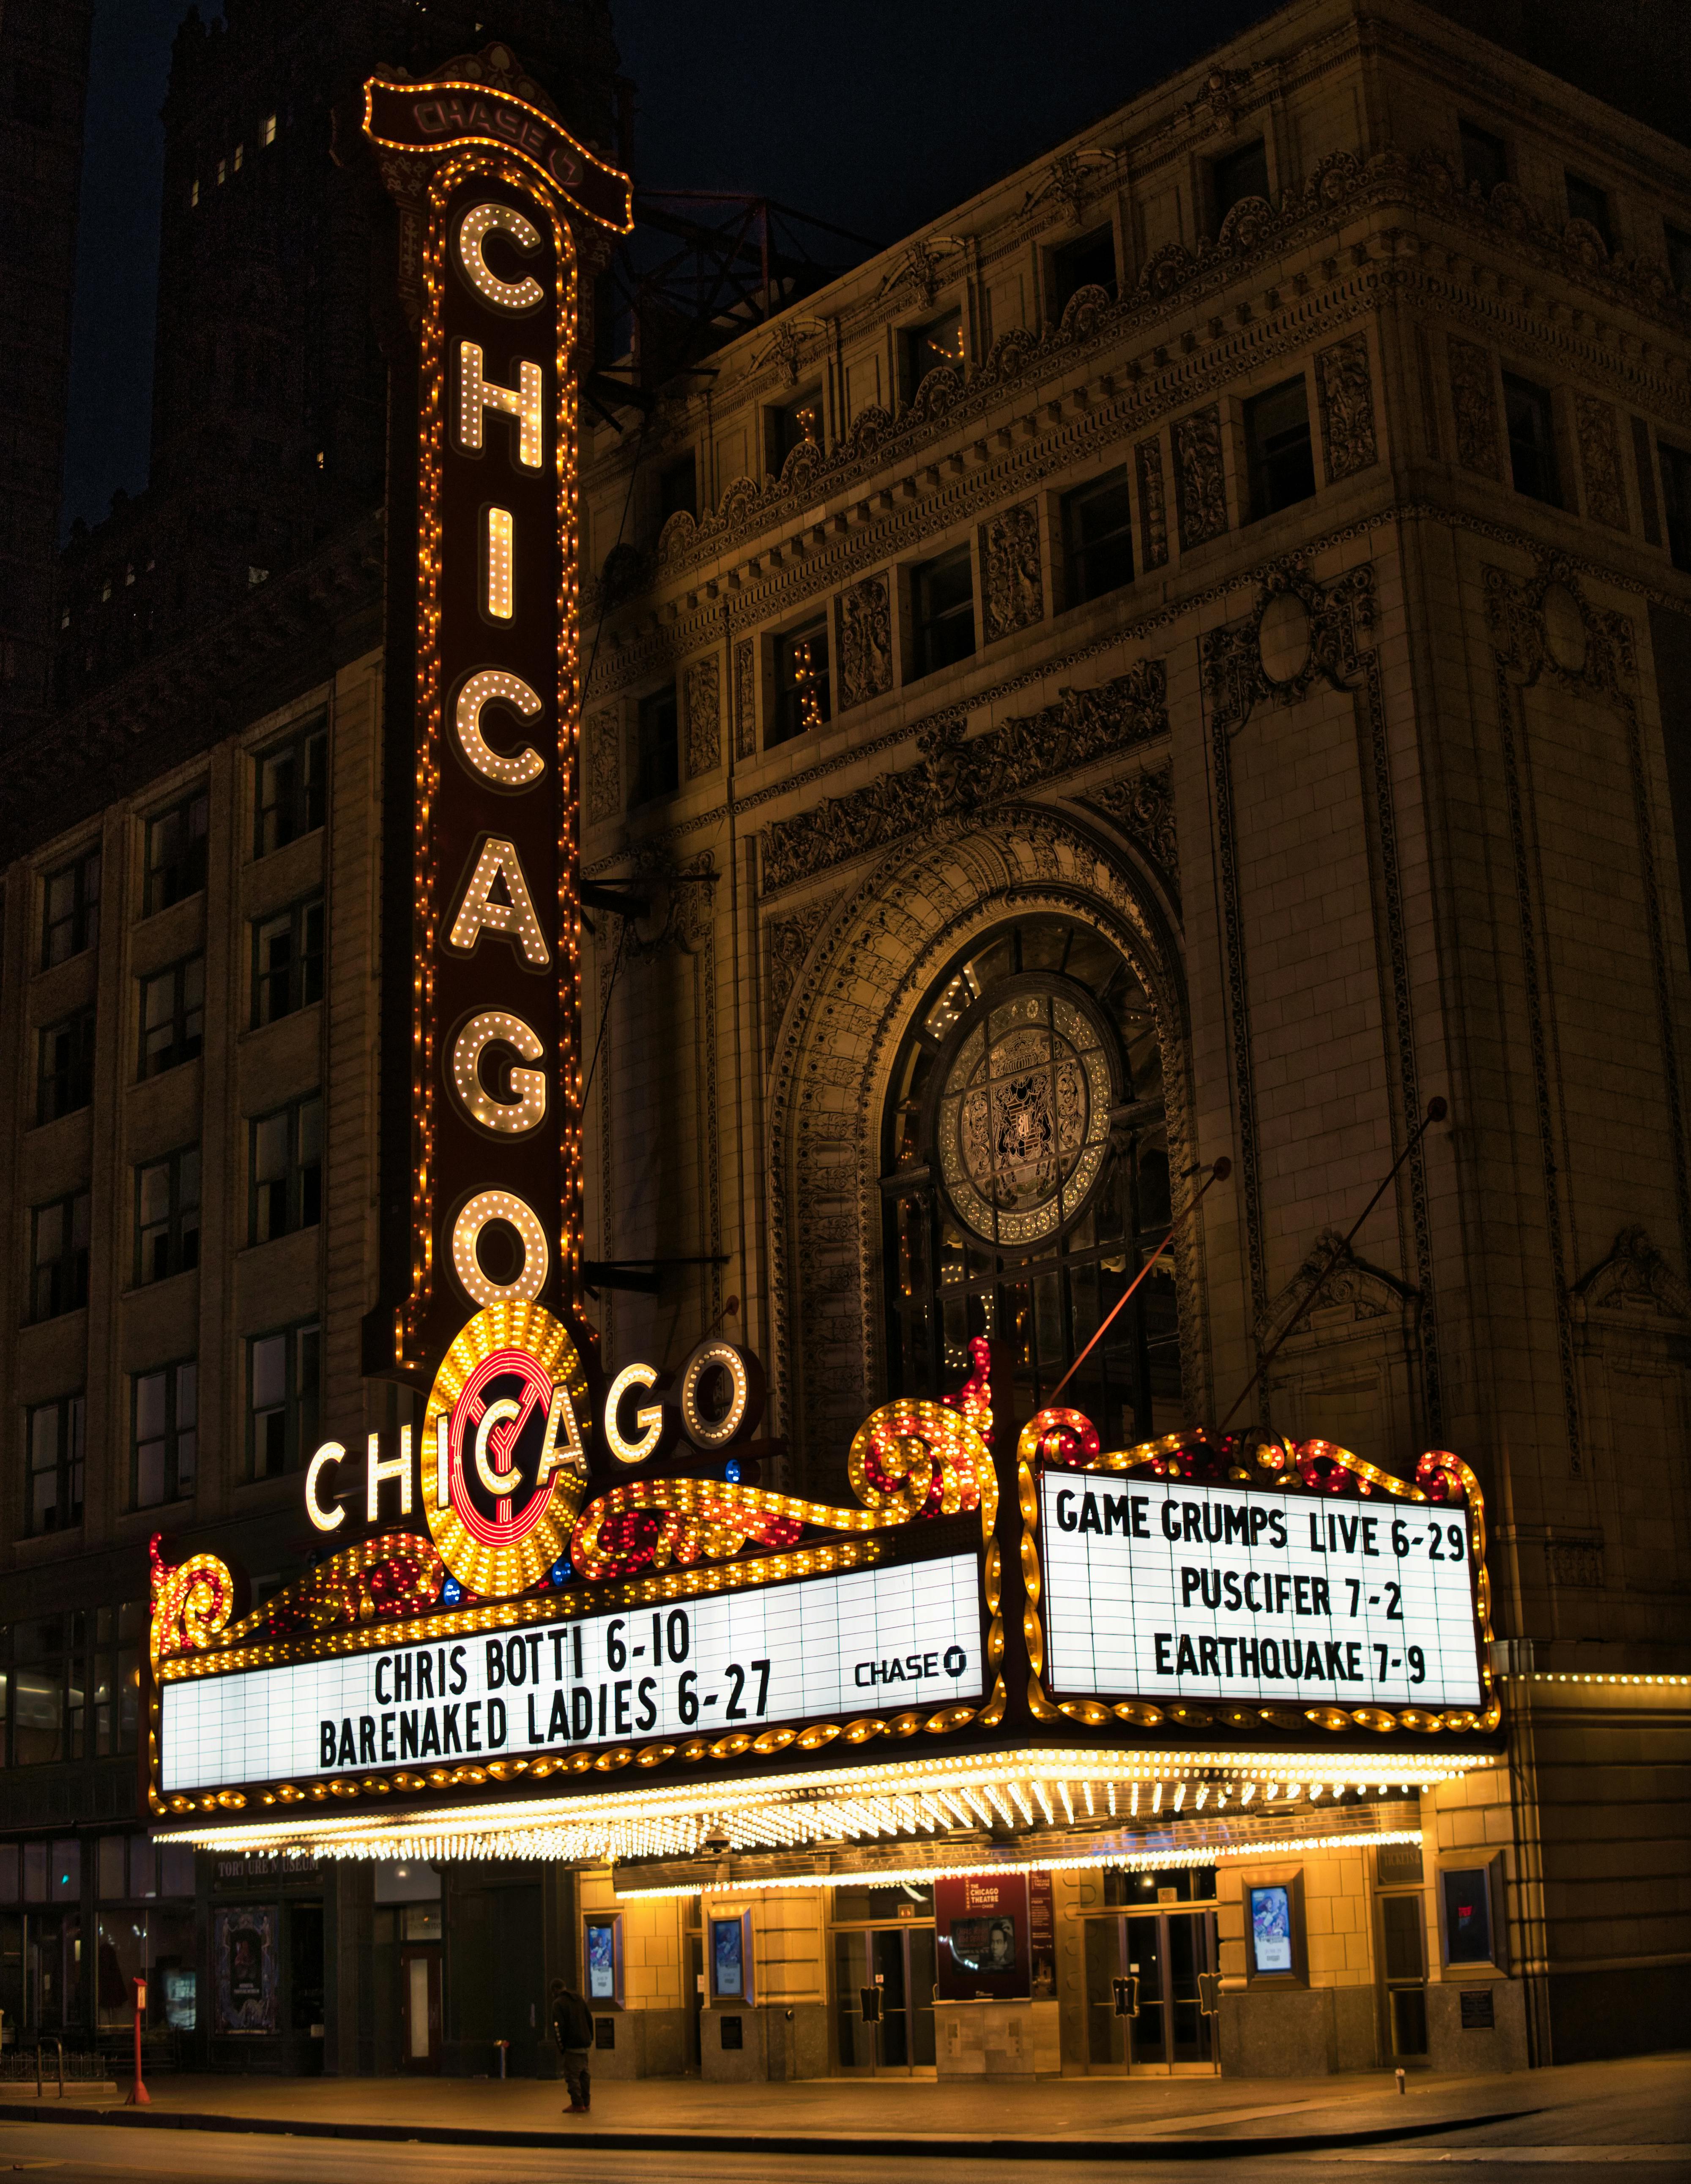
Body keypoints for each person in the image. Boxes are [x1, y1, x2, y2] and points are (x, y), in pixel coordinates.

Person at [550, 1977, 594, 2113]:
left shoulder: (558, 2003)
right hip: (584, 2044)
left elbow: (558, 2027)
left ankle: (578, 2104)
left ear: (555, 1990)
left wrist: (562, 2047)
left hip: (572, 2045)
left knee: (572, 2076)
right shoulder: (579, 1999)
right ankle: (586, 2103)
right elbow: (589, 2019)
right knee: (584, 2075)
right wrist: (590, 2038)